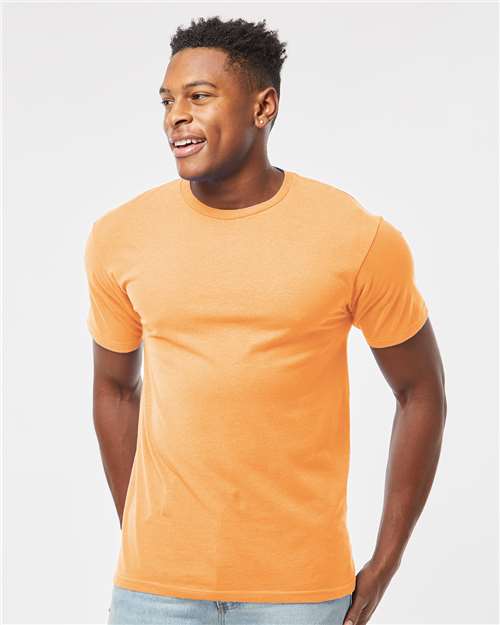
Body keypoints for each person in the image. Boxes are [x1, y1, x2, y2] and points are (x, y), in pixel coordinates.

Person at [84, 15, 447, 625]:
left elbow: (421, 391)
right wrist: (148, 533)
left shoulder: (355, 238)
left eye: (199, 96)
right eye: (168, 101)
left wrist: (386, 563)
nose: (176, 116)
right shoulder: (120, 237)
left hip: (299, 595)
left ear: (263, 106)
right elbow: (114, 390)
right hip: (153, 592)